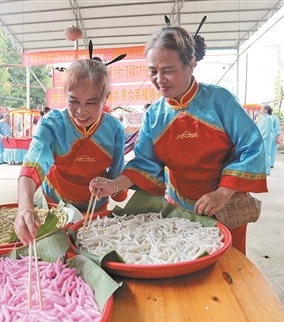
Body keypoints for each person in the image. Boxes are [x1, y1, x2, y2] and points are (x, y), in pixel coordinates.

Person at [89, 23, 268, 255]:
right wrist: (114, 185)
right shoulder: (154, 115)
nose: (159, 79)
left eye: (168, 70)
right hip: (180, 210)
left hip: (224, 204)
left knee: (227, 272)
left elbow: (252, 147)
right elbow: (144, 163)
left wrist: (222, 193)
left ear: (191, 64)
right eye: (153, 71)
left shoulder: (220, 101)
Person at [14, 58, 128, 244]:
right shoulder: (51, 124)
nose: (81, 111)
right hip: (55, 204)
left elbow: (117, 174)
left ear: (106, 97)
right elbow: (34, 163)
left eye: (91, 103)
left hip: (95, 206)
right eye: (73, 101)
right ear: (65, 95)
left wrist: (113, 187)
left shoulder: (114, 128)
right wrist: (25, 206)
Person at [258, 104, 275, 175]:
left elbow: (266, 130)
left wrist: (261, 138)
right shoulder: (264, 118)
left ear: (266, 110)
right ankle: (263, 169)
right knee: (263, 154)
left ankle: (267, 170)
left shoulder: (268, 118)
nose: (260, 111)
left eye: (262, 109)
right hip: (263, 137)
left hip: (266, 138)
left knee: (266, 153)